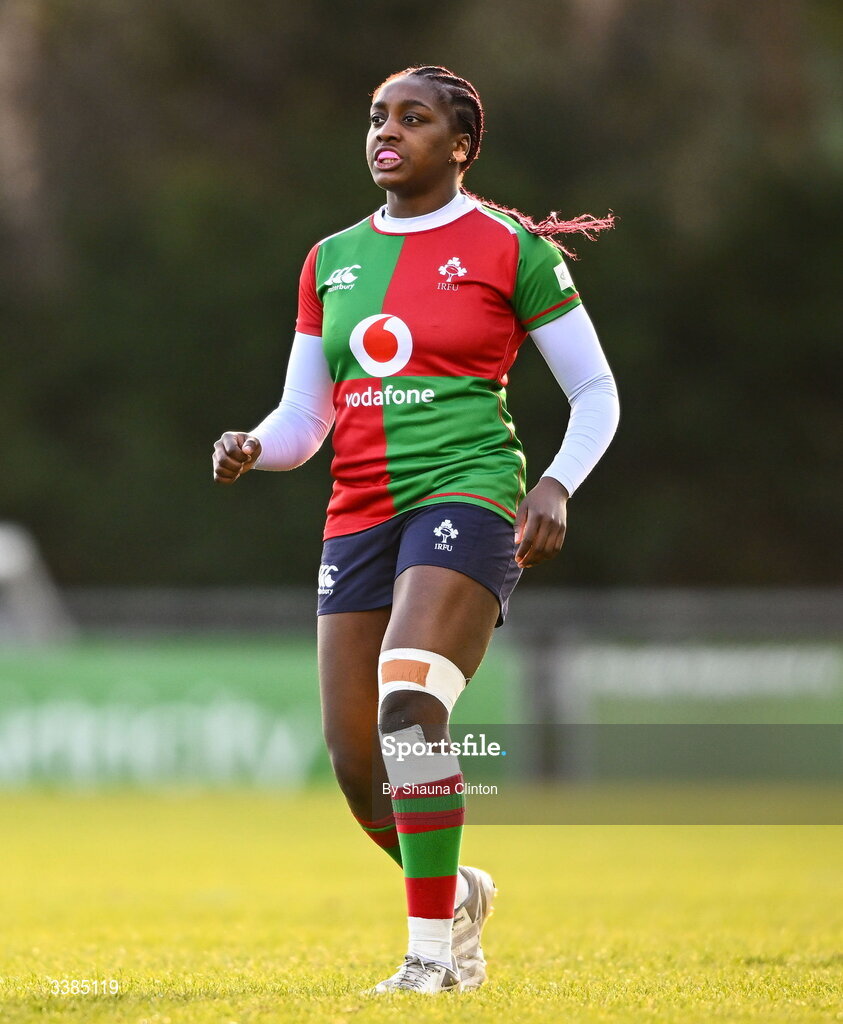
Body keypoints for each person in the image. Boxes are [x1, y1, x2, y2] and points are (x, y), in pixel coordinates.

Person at [212, 65, 619, 994]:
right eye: (376, 118)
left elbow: (594, 391)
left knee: (408, 703)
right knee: (359, 766)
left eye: (413, 118)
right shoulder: (331, 258)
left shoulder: (510, 249)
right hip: (357, 512)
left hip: (468, 496)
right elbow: (303, 421)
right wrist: (250, 445)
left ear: (461, 145)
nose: (385, 132)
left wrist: (554, 484)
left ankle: (432, 960)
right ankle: (458, 890)